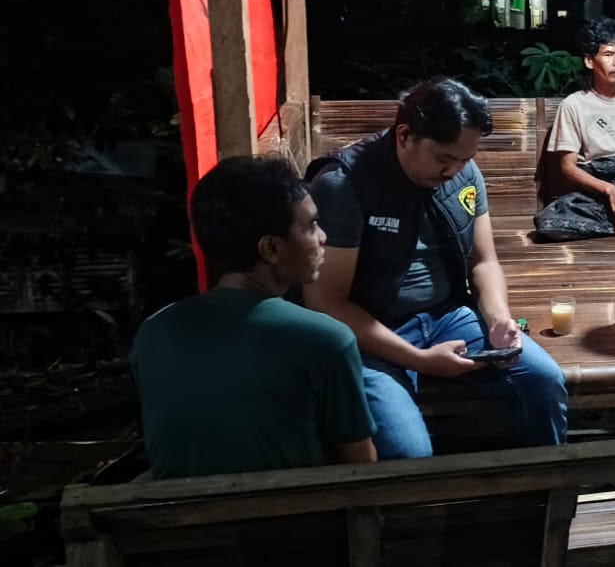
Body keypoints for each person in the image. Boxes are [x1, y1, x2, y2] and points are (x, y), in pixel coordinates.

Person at [303, 77, 568, 459]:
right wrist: (420, 361)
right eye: (444, 158)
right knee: (410, 453)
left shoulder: (464, 173)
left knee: (543, 379)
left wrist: (498, 320)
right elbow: (327, 303)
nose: (455, 170)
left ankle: (544, 485)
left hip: (447, 315)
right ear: (404, 135)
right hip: (369, 332)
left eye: (466, 159)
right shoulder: (344, 184)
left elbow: (484, 261)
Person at [132, 156, 376, 479]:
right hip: (293, 511)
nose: (323, 238)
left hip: (178, 511)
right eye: (311, 225)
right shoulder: (326, 340)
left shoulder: (153, 332)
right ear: (271, 249)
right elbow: (360, 469)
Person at [535, 17, 615, 241]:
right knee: (549, 222)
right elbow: (568, 167)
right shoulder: (574, 104)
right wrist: (610, 190)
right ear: (589, 61)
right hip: (597, 190)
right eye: (609, 54)